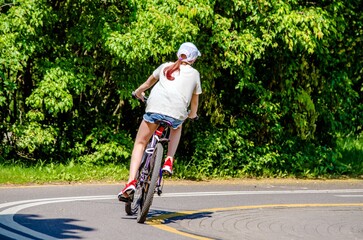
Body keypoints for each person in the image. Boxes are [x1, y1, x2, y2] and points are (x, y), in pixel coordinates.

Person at [118, 42, 202, 202]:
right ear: (193, 59)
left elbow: (147, 84)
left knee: (140, 143)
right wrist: (192, 115)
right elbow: (194, 102)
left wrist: (137, 93)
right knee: (178, 124)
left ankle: (131, 182)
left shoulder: (165, 66)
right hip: (176, 113)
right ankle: (169, 160)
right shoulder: (195, 74)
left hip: (154, 107)